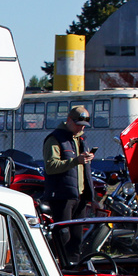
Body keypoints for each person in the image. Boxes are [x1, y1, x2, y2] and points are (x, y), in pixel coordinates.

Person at [43, 105, 96, 260]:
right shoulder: (55, 139)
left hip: (78, 196)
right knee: (63, 235)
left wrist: (91, 196)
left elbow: (84, 173)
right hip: (62, 195)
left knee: (76, 238)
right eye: (78, 124)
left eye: (84, 126)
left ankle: (74, 265)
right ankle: (62, 265)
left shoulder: (79, 140)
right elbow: (51, 166)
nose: (81, 128)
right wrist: (75, 161)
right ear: (68, 121)